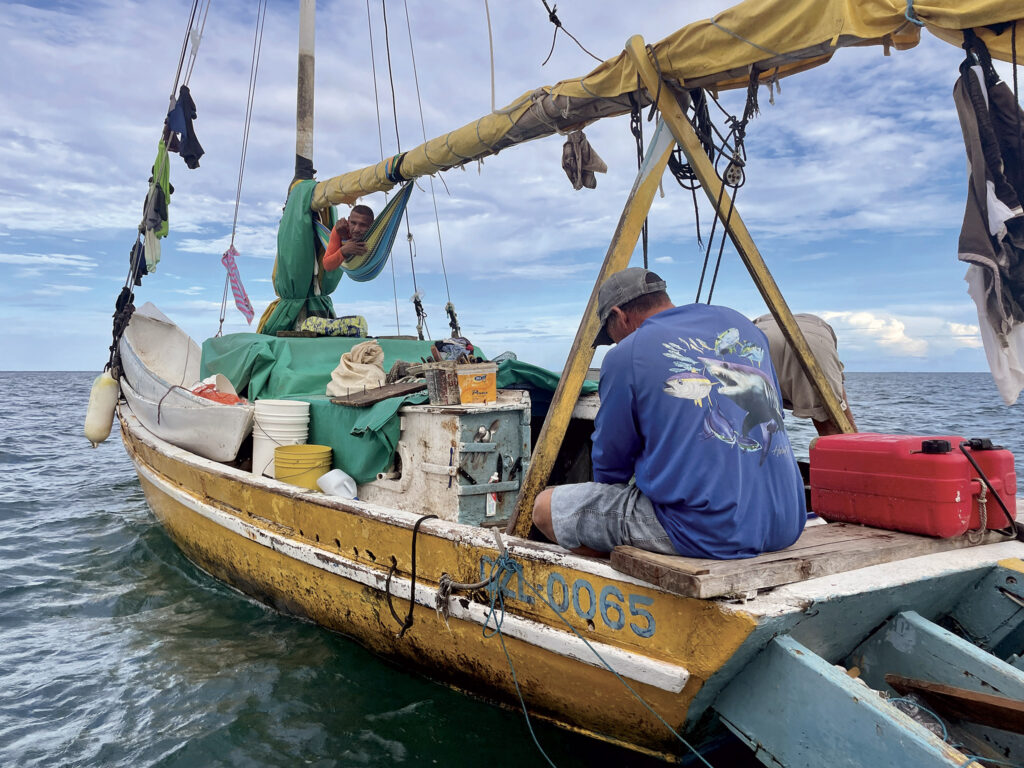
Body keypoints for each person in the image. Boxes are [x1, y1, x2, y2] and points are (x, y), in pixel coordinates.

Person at [532, 268, 806, 559]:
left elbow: (611, 467)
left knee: (545, 509)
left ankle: (630, 571)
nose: (614, 344)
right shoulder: (743, 325)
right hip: (786, 523)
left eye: (611, 336)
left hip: (707, 534)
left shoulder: (625, 355)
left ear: (619, 315)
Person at [751, 313, 856, 436]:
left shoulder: (761, 322)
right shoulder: (823, 335)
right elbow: (840, 400)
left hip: (762, 336)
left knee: (747, 427)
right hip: (815, 342)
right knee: (835, 429)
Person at [324, 204, 374, 271]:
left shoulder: (375, 231)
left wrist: (344, 240)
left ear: (372, 225)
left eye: (363, 225)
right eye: (353, 223)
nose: (356, 229)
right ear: (348, 220)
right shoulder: (340, 228)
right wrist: (344, 251)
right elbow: (327, 265)